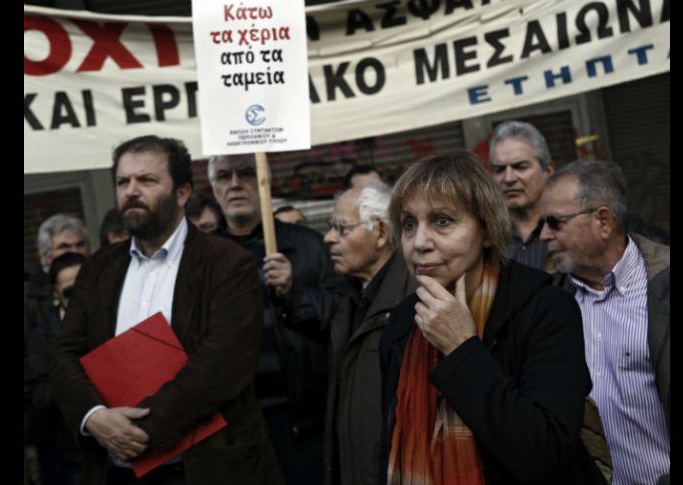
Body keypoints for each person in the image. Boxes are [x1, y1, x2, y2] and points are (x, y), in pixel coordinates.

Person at [50, 135, 282, 485]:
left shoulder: (227, 263)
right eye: (123, 181)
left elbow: (221, 364)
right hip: (115, 469)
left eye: (147, 180)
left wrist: (137, 431)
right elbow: (64, 352)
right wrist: (93, 416)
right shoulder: (97, 269)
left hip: (207, 468)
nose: (131, 191)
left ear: (182, 193)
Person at [378, 151, 605, 485]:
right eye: (409, 224)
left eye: (442, 221)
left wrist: (461, 347)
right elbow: (388, 446)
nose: (419, 242)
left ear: (486, 230)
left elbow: (545, 452)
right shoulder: (401, 322)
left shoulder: (545, 308)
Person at [209, 153, 346, 485]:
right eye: (224, 176)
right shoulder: (202, 256)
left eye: (247, 173)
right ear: (213, 187)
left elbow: (343, 317)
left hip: (304, 422)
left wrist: (294, 291)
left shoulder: (307, 245)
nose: (236, 184)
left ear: (266, 182)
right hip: (237, 426)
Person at [540, 160, 670, 485]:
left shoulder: (664, 284)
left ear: (603, 221)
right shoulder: (549, 301)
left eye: (556, 222)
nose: (544, 235)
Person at [322, 182, 414, 485]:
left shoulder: (414, 300)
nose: (329, 238)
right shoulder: (347, 299)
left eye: (342, 228)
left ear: (382, 233)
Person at [25, 252, 87, 485]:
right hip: (69, 457)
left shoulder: (110, 321)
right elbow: (39, 397)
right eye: (71, 292)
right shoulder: (41, 338)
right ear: (55, 293)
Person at [489, 121, 555, 270]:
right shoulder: (487, 238)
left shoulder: (568, 228)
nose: (509, 178)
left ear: (548, 170)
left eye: (520, 167)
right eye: (499, 169)